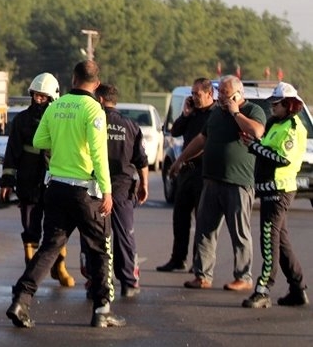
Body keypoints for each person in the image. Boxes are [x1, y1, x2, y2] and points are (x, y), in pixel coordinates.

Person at [6, 60, 125, 329]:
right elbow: (98, 153)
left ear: (73, 80)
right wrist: (106, 190)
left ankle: (21, 300)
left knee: (49, 247)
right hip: (85, 192)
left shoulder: (56, 106)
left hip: (56, 188)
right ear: (96, 84)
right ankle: (102, 310)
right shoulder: (94, 108)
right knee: (100, 249)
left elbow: (39, 141)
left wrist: (61, 140)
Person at [171, 75, 265, 291]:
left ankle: (243, 276)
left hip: (238, 182)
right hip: (212, 181)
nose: (221, 96)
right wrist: (180, 159)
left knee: (239, 232)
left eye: (225, 92)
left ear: (238, 94)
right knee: (205, 229)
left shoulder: (251, 111)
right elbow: (201, 139)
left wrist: (235, 112)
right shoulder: (215, 114)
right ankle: (202, 275)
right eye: (219, 91)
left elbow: (257, 131)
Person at [0, 73, 75, 287]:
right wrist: (6, 182)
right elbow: (12, 152)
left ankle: (59, 267)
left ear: (53, 99)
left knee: (57, 229)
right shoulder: (21, 121)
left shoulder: (62, 120)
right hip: (29, 183)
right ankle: (31, 271)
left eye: (43, 97)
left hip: (56, 183)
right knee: (30, 228)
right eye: (36, 96)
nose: (38, 100)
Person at [240, 82, 309, 308]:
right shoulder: (276, 123)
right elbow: (267, 148)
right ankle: (297, 289)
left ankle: (263, 289)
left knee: (269, 239)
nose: (272, 107)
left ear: (289, 105)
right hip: (270, 189)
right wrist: (255, 143)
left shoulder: (293, 128)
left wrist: (254, 147)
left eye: (276, 104)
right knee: (282, 241)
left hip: (279, 191)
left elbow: (282, 158)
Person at [92, 83, 148, 298]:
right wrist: (144, 185)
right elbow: (141, 160)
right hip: (122, 188)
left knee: (94, 236)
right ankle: (129, 282)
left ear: (100, 100)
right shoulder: (130, 125)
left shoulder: (93, 122)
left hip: (95, 187)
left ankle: (95, 282)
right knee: (125, 235)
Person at [157, 78, 215, 272]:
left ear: (209, 94)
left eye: (197, 94)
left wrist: (180, 159)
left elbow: (204, 144)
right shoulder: (193, 113)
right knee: (180, 216)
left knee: (202, 219)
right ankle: (178, 258)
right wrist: (185, 114)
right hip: (186, 171)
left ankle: (199, 262)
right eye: (193, 93)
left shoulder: (215, 115)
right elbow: (175, 131)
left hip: (204, 171)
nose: (194, 97)